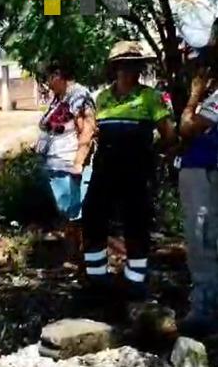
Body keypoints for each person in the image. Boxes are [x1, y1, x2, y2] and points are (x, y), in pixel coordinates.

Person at [81, 41, 176, 302]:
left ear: (139, 67)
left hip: (137, 171)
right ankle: (97, 279)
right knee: (92, 218)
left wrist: (164, 160)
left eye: (133, 65)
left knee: (136, 224)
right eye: (123, 65)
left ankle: (135, 283)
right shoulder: (102, 98)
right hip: (104, 170)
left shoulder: (150, 97)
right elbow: (93, 133)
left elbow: (168, 134)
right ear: (114, 68)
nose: (128, 70)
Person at [177, 24, 218, 337]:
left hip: (206, 172)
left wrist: (194, 95)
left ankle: (205, 310)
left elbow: (188, 127)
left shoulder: (211, 97)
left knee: (203, 240)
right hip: (201, 170)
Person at [35, 61, 96, 268]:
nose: (48, 84)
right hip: (57, 165)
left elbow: (87, 129)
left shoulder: (78, 95)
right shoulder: (60, 98)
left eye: (49, 79)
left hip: (69, 164)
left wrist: (79, 162)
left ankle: (78, 260)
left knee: (75, 214)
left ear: (58, 76)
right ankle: (75, 258)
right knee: (67, 212)